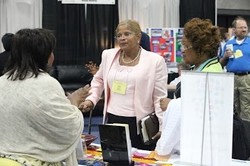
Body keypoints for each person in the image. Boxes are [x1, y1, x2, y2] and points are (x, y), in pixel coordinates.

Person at [0, 28, 90, 166]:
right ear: (45, 55)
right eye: (51, 51)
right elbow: (67, 127)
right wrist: (74, 102)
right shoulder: (46, 83)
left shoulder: (2, 81)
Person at [80, 19, 168, 150]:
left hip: (140, 123)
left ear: (138, 36)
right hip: (112, 119)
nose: (122, 38)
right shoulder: (108, 55)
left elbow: (159, 97)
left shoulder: (155, 61)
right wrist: (91, 100)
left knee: (140, 160)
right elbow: (98, 80)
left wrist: (163, 125)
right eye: (119, 35)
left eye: (127, 34)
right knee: (114, 159)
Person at [154, 18, 223, 160]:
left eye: (186, 46)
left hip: (202, 148)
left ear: (200, 48)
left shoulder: (211, 74)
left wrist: (171, 105)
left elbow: (202, 111)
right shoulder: (200, 68)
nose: (182, 51)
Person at [219, 16, 250, 121]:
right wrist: (225, 56)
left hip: (247, 78)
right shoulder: (228, 44)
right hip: (231, 78)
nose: (244, 29)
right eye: (241, 27)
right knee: (233, 106)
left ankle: (246, 134)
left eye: (245, 27)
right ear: (234, 30)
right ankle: (236, 132)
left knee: (246, 107)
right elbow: (221, 64)